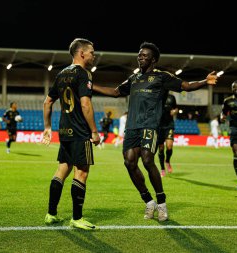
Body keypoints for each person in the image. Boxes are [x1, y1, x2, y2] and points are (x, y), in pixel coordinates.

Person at [93, 42, 218, 221]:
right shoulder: (134, 78)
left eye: (144, 55)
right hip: (132, 127)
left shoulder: (162, 77)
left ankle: (161, 203)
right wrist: (91, 87)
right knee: (129, 163)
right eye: (139, 55)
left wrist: (206, 81)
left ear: (153, 60)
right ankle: (148, 201)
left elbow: (187, 86)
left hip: (150, 125)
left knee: (147, 159)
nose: (140, 58)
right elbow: (115, 92)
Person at [42, 38, 100, 230]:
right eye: (91, 52)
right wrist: (94, 131)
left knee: (62, 170)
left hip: (64, 130)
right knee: (81, 172)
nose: (94, 55)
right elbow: (85, 104)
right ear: (81, 53)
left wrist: (47, 127)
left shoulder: (61, 74)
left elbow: (47, 102)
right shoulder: (84, 74)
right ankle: (77, 218)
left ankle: (51, 213)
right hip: (81, 131)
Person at [157, 93, 178, 177]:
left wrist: (175, 111)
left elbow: (176, 108)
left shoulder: (171, 97)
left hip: (169, 125)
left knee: (169, 146)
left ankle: (167, 161)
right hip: (159, 126)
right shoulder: (156, 96)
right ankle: (162, 169)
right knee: (161, 148)